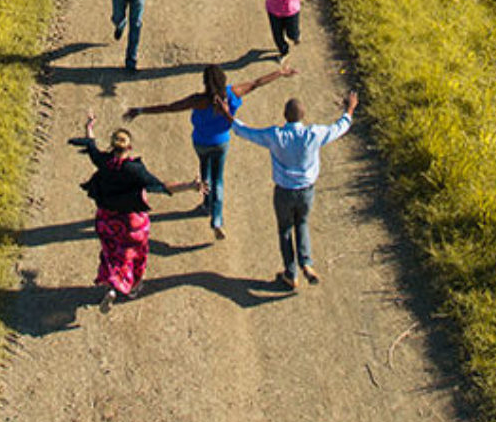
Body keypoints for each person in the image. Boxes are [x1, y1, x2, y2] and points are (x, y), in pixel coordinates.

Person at [124, 63, 297, 240]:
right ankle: (217, 220)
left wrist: (140, 110)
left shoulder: (199, 100)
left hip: (201, 142)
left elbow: (170, 107)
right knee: (218, 180)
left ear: (206, 82)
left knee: (205, 174)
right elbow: (256, 83)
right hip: (221, 142)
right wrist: (280, 73)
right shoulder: (231, 94)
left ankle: (206, 204)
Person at [71, 112, 200, 312]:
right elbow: (162, 186)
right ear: (129, 148)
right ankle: (127, 285)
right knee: (134, 254)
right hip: (132, 223)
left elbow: (91, 146)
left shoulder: (104, 162)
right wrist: (190, 186)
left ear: (112, 146)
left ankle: (113, 285)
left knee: (112, 254)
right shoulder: (135, 171)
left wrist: (89, 125)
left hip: (106, 219)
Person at [230, 90, 358, 290]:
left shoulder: (275, 135)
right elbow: (339, 128)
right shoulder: (314, 134)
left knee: (285, 230)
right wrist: (349, 108)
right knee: (302, 223)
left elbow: (247, 132)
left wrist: (228, 116)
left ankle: (291, 273)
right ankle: (306, 263)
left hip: (284, 191)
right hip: (306, 191)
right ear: (303, 116)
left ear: (284, 115)